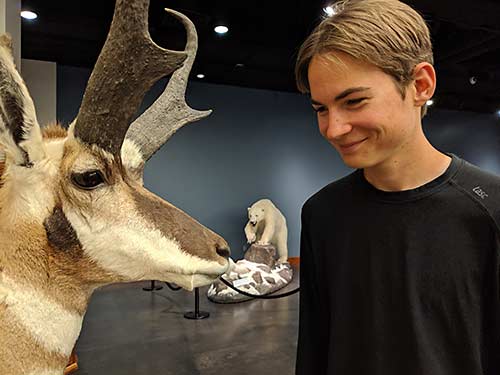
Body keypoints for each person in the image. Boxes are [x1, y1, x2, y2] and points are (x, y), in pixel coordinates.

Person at [294, 0, 500, 374]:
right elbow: (314, 347)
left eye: (353, 101)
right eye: (320, 109)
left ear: (420, 85)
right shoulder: (322, 214)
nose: (332, 128)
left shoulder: (491, 208)